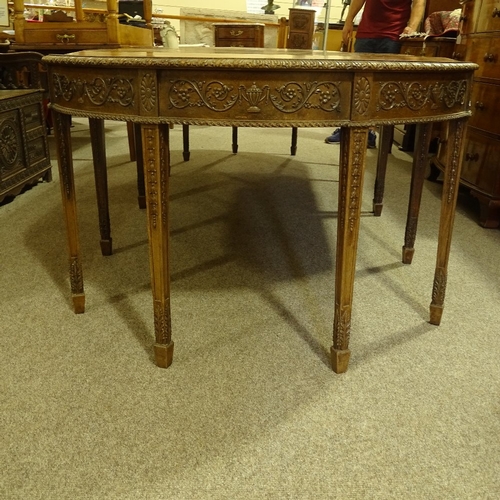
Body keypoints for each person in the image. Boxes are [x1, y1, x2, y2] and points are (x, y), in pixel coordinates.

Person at [325, 0, 426, 148]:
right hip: (366, 33)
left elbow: (419, 3)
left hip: (393, 36)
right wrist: (348, 21)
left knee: (381, 89)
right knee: (356, 84)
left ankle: (370, 133)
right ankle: (347, 128)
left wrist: (412, 27)